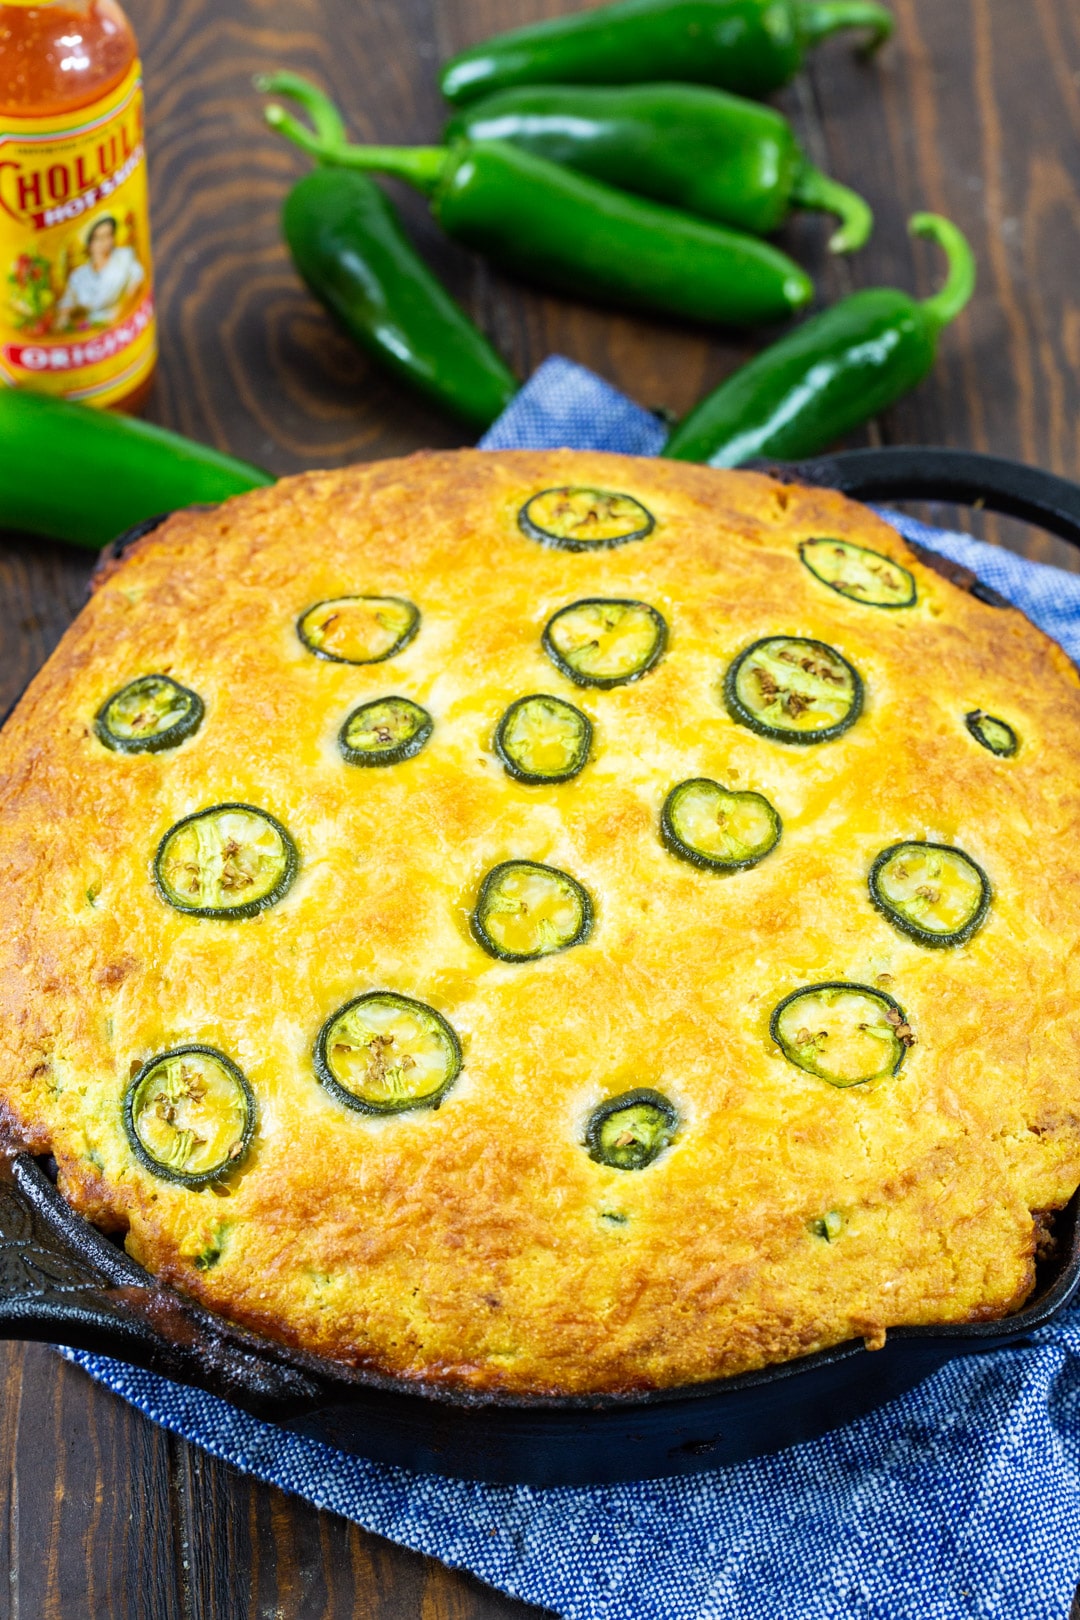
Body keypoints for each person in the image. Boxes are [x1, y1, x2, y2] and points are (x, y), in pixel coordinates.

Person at [55, 215, 144, 329]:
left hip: (124, 321)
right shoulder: (79, 276)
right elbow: (68, 302)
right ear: (90, 244)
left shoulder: (124, 256)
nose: (105, 242)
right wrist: (62, 320)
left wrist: (121, 310)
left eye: (108, 236)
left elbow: (138, 281)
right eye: (99, 238)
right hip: (91, 328)